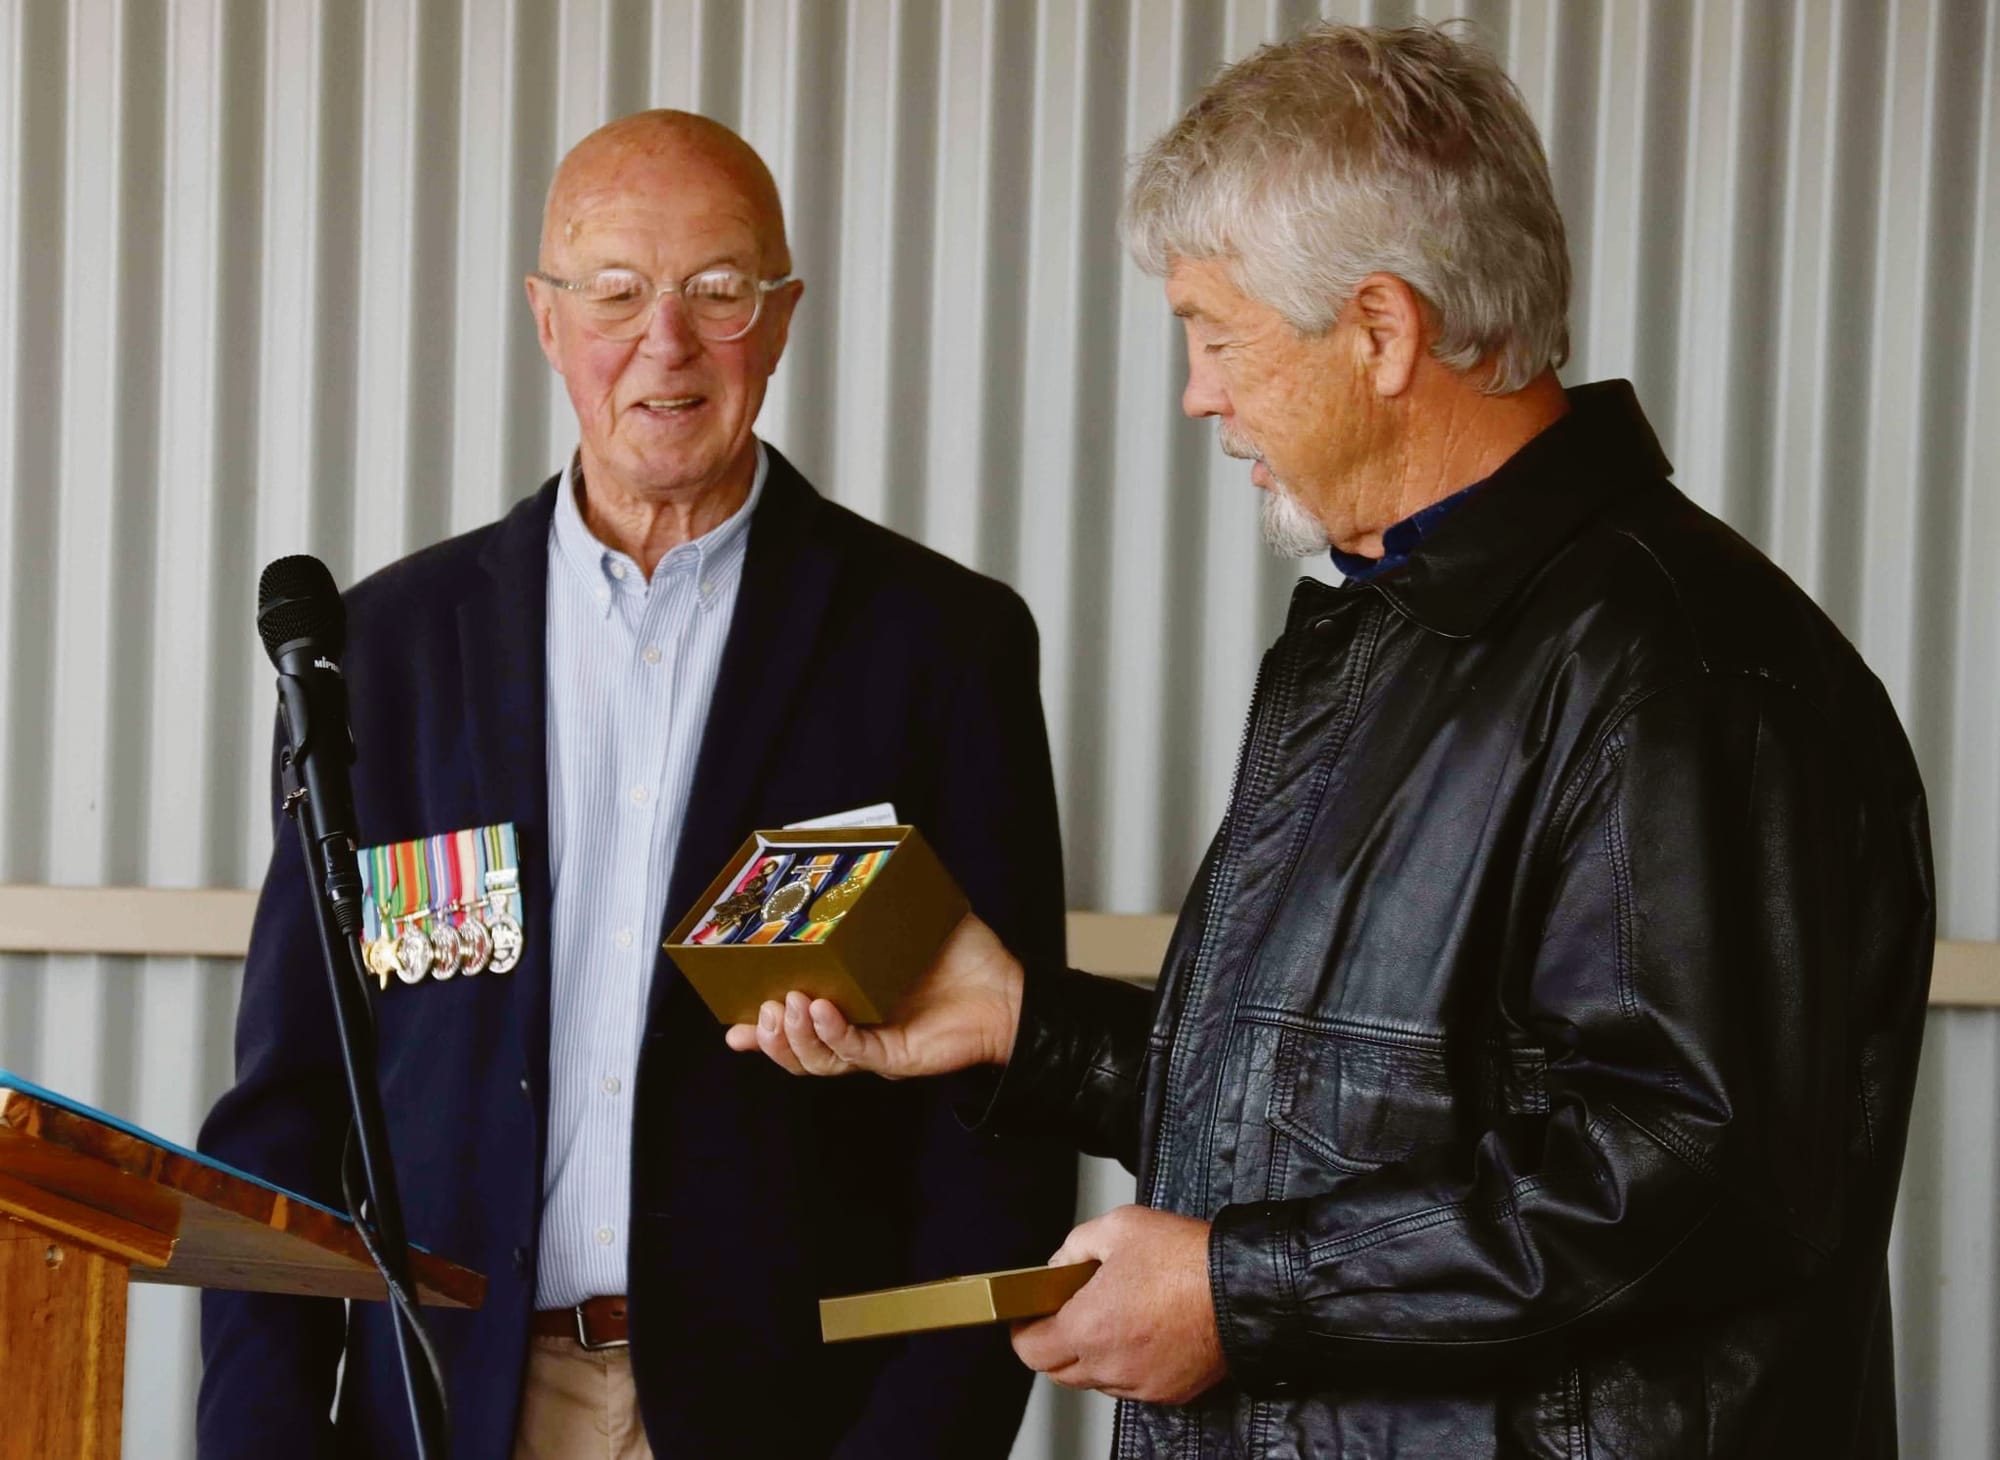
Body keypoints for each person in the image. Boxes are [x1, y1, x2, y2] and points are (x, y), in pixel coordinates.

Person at [733, 22, 1935, 1458]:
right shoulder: (1393, 636)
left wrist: (1235, 1295)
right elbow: (1367, 1115)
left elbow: (1686, 1172)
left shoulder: (1687, 670)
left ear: (1380, 330)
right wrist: (1023, 1028)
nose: (1197, 392)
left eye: (1217, 333)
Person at [198, 110, 1075, 1459]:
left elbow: (999, 1121)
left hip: (795, 1415)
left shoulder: (935, 646)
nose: (664, 343)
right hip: (448, 1410)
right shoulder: (384, 656)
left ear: (778, 321)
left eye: (716, 292)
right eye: (614, 293)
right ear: (546, 320)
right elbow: (293, 1102)